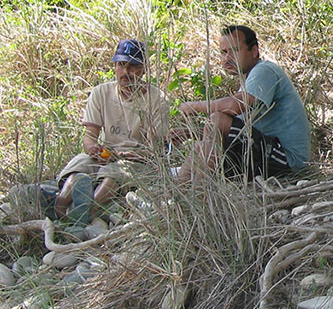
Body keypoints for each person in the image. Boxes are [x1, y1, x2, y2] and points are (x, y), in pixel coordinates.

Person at [54, 38, 170, 223]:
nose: (126, 72)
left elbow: (155, 151)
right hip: (106, 153)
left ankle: (86, 214)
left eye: (133, 66)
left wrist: (125, 154)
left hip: (137, 160)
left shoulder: (157, 99)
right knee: (81, 164)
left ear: (144, 69)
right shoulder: (101, 92)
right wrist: (92, 149)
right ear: (114, 66)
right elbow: (89, 136)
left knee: (116, 173)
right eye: (122, 65)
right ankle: (60, 209)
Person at [176, 25, 310, 180]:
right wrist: (190, 134)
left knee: (217, 119)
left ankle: (200, 193)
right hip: (268, 154)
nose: (227, 58)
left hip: (289, 162)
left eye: (235, 50)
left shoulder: (264, 70)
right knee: (200, 147)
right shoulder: (248, 81)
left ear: (254, 51)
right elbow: (236, 129)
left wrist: (193, 106)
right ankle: (178, 199)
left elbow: (234, 107)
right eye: (224, 52)